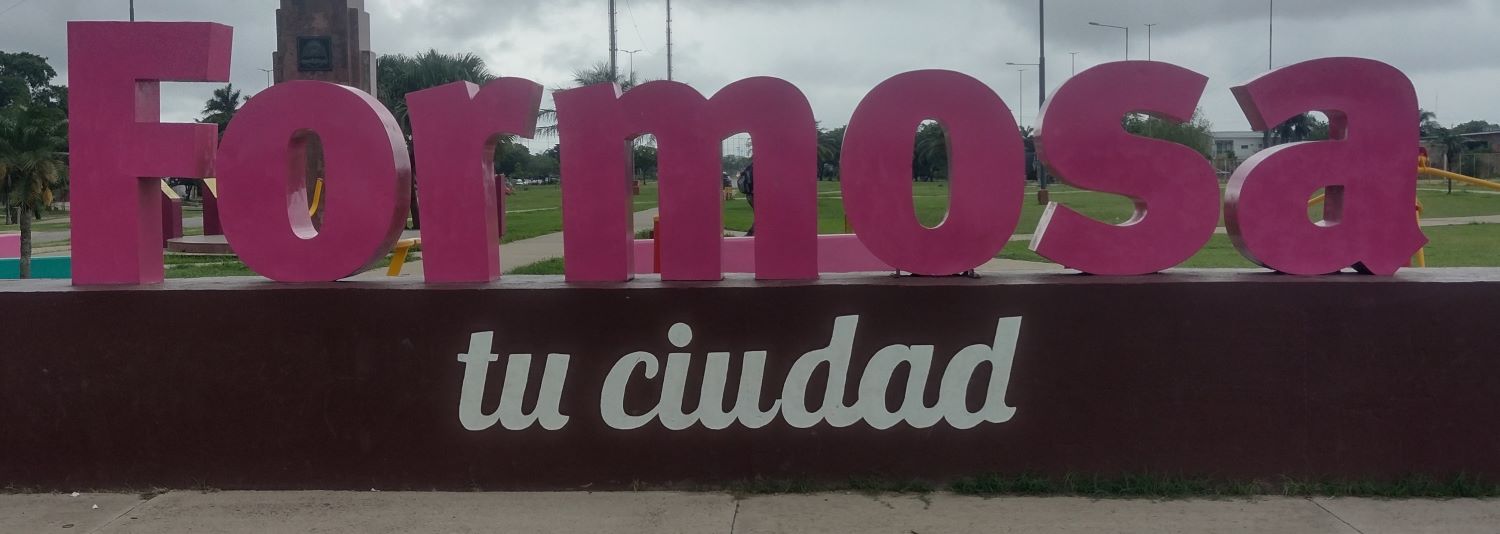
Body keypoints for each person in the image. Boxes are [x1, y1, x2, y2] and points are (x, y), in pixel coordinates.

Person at [737, 164, 755, 236]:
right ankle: (749, 235)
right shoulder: (757, 167)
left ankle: (750, 234)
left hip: (749, 195)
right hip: (754, 195)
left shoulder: (749, 167)